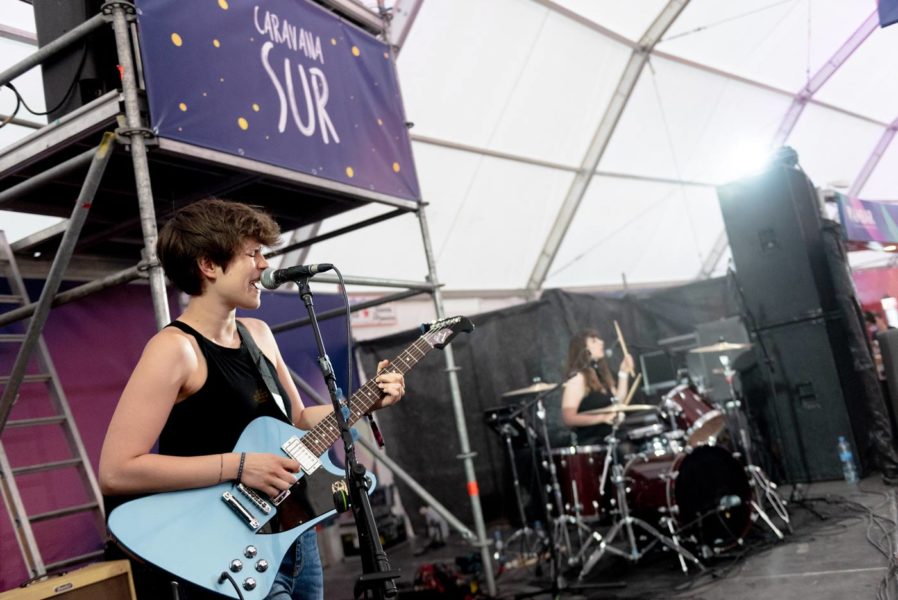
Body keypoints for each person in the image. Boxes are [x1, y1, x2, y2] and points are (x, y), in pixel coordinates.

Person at [98, 198, 405, 599]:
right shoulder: (174, 349)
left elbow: (297, 419)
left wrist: (367, 402)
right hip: (226, 550)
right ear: (209, 265)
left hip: (295, 535)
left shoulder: (258, 333)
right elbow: (117, 471)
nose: (264, 265)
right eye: (253, 253)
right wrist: (240, 465)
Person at [560, 329, 634, 445]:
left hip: (613, 437)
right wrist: (602, 418)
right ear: (583, 349)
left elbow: (618, 402)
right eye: (594, 341)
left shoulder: (601, 375)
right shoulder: (578, 378)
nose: (601, 342)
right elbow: (568, 418)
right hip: (595, 442)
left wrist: (623, 373)